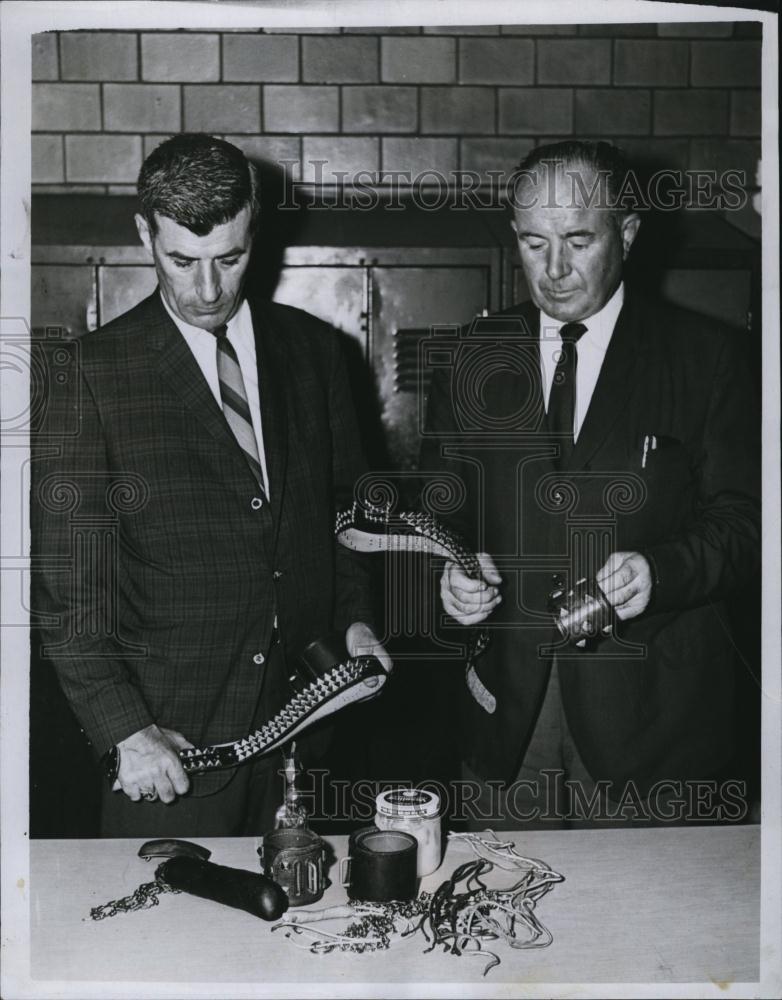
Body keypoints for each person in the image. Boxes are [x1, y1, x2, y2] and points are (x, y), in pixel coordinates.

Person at [32, 133, 389, 837]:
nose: (206, 289)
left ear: (256, 229)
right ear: (145, 234)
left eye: (229, 259)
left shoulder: (318, 354)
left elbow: (345, 518)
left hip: (310, 733)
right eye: (181, 260)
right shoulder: (90, 377)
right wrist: (125, 730)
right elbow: (68, 594)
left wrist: (355, 619)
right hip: (172, 749)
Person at [421, 140, 760, 827]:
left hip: (657, 729)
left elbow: (750, 526)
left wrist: (660, 572)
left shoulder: (711, 359)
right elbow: (437, 510)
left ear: (627, 234)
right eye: (533, 242)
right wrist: (448, 577)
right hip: (507, 722)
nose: (554, 270)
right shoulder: (468, 359)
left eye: (578, 240)